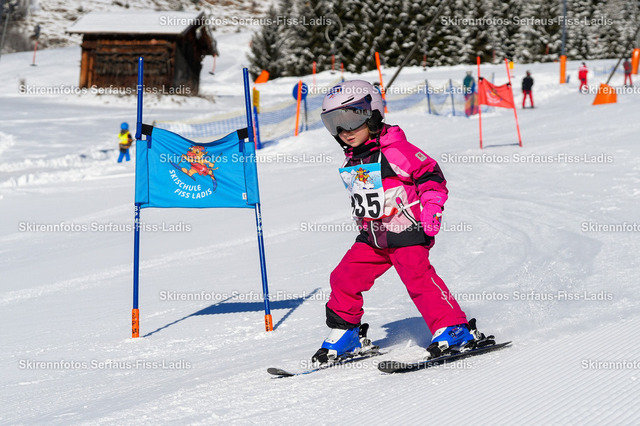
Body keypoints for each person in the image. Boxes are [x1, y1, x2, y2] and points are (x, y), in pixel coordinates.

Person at [312, 80, 484, 365]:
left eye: (352, 119)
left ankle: (454, 328)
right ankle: (346, 332)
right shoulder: (353, 159)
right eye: (335, 124)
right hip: (374, 237)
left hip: (407, 231)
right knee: (343, 277)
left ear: (372, 115)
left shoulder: (395, 149)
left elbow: (431, 175)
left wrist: (432, 208)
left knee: (417, 278)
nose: (345, 131)